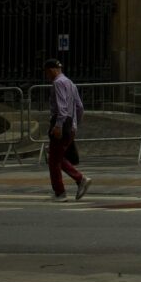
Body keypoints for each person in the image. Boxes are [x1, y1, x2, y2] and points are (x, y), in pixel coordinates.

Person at [43, 59, 90, 202]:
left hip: (61, 122)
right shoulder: (70, 82)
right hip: (69, 123)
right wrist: (74, 125)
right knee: (57, 157)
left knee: (53, 161)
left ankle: (62, 191)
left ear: (51, 70)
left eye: (46, 73)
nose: (47, 76)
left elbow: (62, 107)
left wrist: (58, 125)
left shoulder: (57, 83)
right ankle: (78, 180)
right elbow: (79, 106)